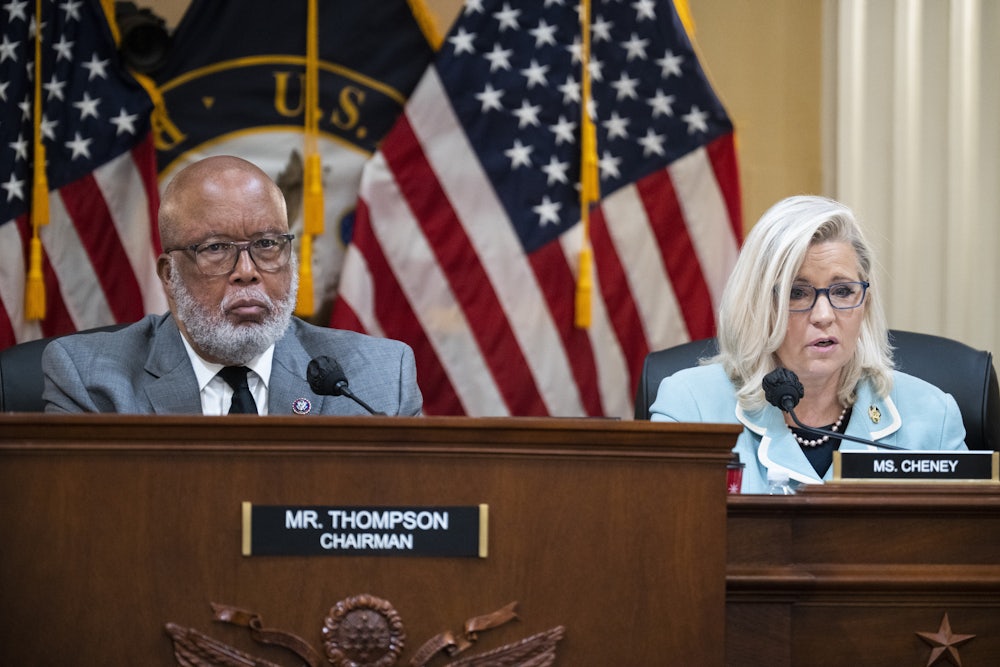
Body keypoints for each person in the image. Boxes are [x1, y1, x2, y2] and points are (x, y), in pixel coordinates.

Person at [43, 155, 422, 416]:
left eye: (267, 244)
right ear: (169, 276)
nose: (247, 271)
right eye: (216, 249)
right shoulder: (91, 382)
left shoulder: (378, 380)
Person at [649, 195, 966, 492]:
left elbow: (966, 544)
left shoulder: (932, 418)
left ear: (865, 303)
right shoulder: (691, 406)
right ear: (758, 305)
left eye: (842, 291)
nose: (824, 316)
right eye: (797, 293)